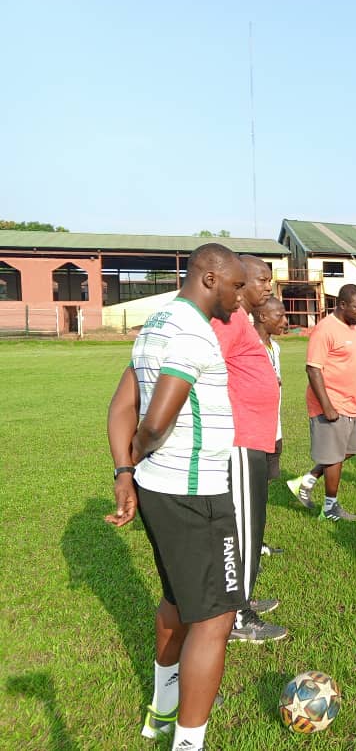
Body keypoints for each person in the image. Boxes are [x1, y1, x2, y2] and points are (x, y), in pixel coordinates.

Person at [106, 243, 247, 750]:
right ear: (210, 278)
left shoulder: (157, 322)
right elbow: (156, 418)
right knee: (214, 619)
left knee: (176, 599)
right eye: (235, 284)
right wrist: (139, 454)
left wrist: (126, 471)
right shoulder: (192, 332)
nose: (240, 294)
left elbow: (121, 404)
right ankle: (189, 743)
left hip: (159, 492)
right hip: (196, 497)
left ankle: (163, 711)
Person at [211, 255, 286, 644]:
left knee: (253, 528)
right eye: (262, 279)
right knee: (242, 530)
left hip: (255, 439)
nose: (268, 286)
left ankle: (244, 598)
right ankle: (238, 617)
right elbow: (204, 366)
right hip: (239, 441)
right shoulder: (227, 319)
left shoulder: (240, 319)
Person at [288, 284, 356, 522]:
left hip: (355, 403)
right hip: (332, 404)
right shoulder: (325, 329)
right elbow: (313, 370)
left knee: (351, 450)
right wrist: (327, 407)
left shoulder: (351, 327)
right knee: (334, 456)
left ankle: (308, 479)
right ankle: (330, 508)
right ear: (342, 304)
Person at [254, 297, 289, 556]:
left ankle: (257, 542)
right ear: (262, 317)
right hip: (253, 434)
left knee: (262, 492)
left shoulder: (274, 348)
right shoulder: (248, 346)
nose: (285, 321)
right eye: (280, 315)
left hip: (273, 430)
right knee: (249, 493)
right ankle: (246, 547)